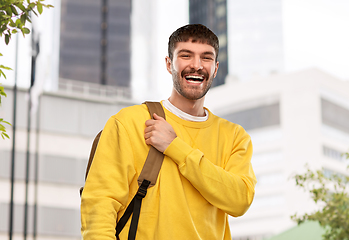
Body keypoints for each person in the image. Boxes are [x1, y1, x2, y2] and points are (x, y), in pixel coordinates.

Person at [80, 24, 256, 240]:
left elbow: (240, 200)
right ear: (169, 63)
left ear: (216, 68)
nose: (197, 65)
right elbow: (99, 204)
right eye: (186, 55)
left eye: (206, 57)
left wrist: (176, 147)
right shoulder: (129, 122)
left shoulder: (235, 136)